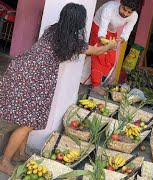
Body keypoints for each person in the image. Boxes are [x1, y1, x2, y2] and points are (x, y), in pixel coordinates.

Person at [0, 3, 117, 175]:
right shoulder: (70, 41)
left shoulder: (53, 30)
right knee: (29, 122)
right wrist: (110, 46)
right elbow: (96, 51)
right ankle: (5, 161)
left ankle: (19, 153)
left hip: (24, 71)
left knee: (28, 120)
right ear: (78, 22)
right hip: (33, 77)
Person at [88, 0, 139, 95]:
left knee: (110, 58)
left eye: (129, 12)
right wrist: (102, 41)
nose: (126, 14)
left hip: (112, 30)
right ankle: (95, 85)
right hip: (98, 26)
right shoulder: (110, 8)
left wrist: (121, 40)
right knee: (99, 55)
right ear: (121, 4)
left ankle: (100, 81)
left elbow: (126, 33)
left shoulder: (134, 16)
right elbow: (102, 30)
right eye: (124, 9)